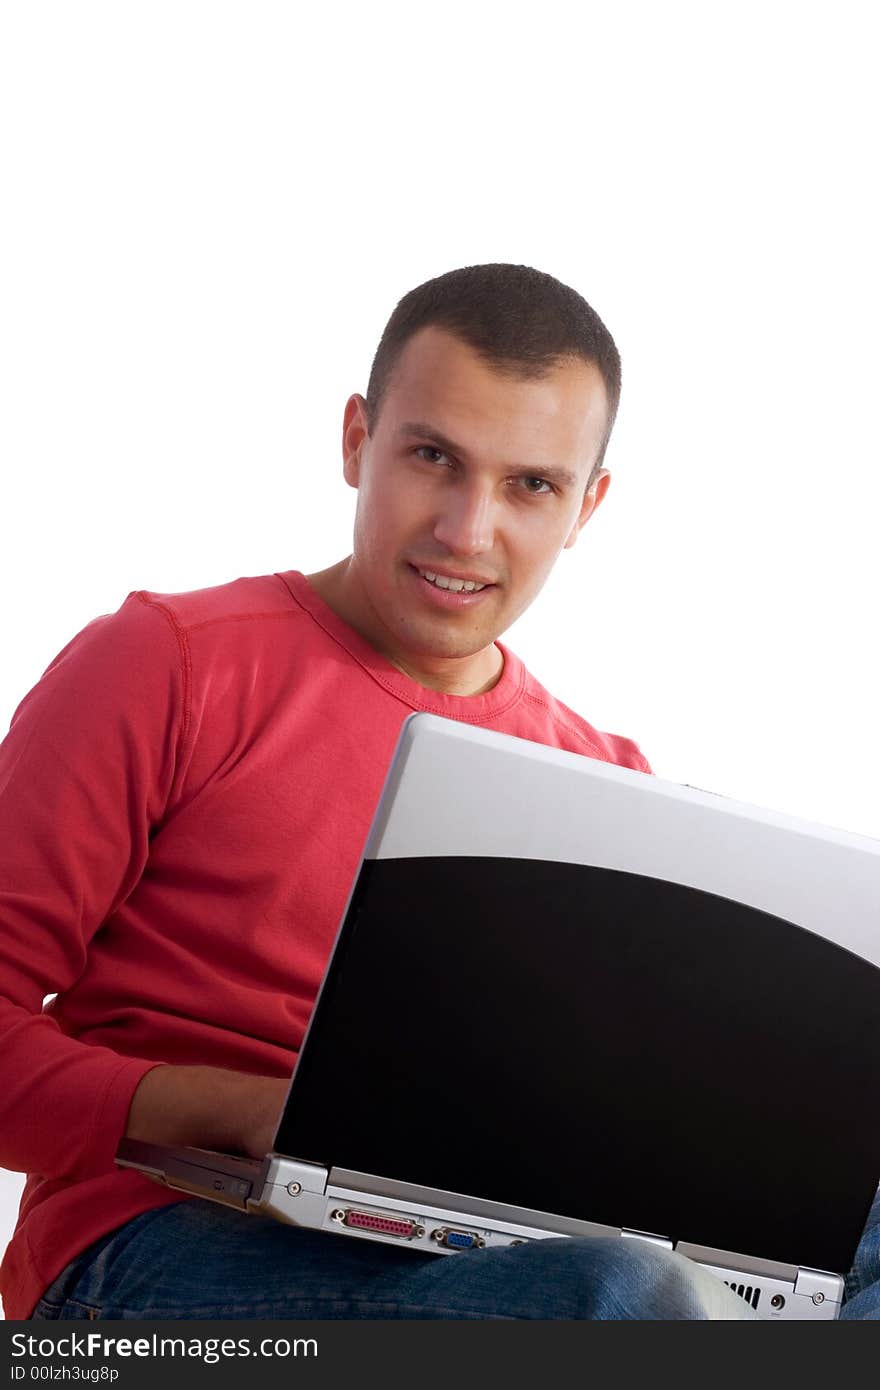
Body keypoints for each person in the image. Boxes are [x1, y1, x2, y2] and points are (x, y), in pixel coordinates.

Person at [0, 264, 875, 1321]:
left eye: (529, 485)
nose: (466, 530)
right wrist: (223, 1108)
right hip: (156, 1239)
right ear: (355, 441)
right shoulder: (164, 664)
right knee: (621, 1290)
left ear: (585, 505)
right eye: (432, 457)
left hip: (476, 1247)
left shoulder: (603, 783)